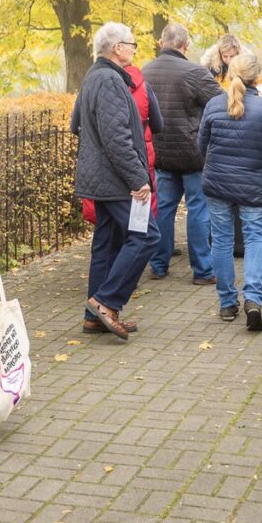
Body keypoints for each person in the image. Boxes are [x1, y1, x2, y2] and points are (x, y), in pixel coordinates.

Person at [72, 22, 161, 340]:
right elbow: (117, 139)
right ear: (116, 48)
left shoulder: (93, 77)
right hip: (116, 180)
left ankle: (93, 318)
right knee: (147, 236)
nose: (135, 49)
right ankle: (106, 302)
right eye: (132, 43)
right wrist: (138, 179)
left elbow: (75, 123)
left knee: (106, 245)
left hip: (102, 180)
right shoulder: (109, 80)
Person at [198, 51, 262, 330]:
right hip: (252, 185)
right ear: (257, 77)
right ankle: (252, 299)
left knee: (222, 241)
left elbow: (201, 146)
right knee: (255, 240)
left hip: (217, 183)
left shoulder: (213, 105)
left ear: (230, 73)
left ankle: (227, 302)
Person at [142, 23, 223, 284]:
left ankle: (158, 264)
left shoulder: (145, 71)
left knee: (163, 208)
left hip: (161, 152)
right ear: (185, 45)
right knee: (198, 208)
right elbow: (219, 102)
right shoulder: (195, 72)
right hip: (192, 154)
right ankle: (202, 270)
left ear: (161, 42)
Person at [80, 64, 163, 223]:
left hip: (104, 160)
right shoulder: (144, 87)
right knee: (142, 223)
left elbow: (77, 125)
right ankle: (141, 244)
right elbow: (158, 124)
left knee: (109, 221)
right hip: (141, 155)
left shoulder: (95, 83)